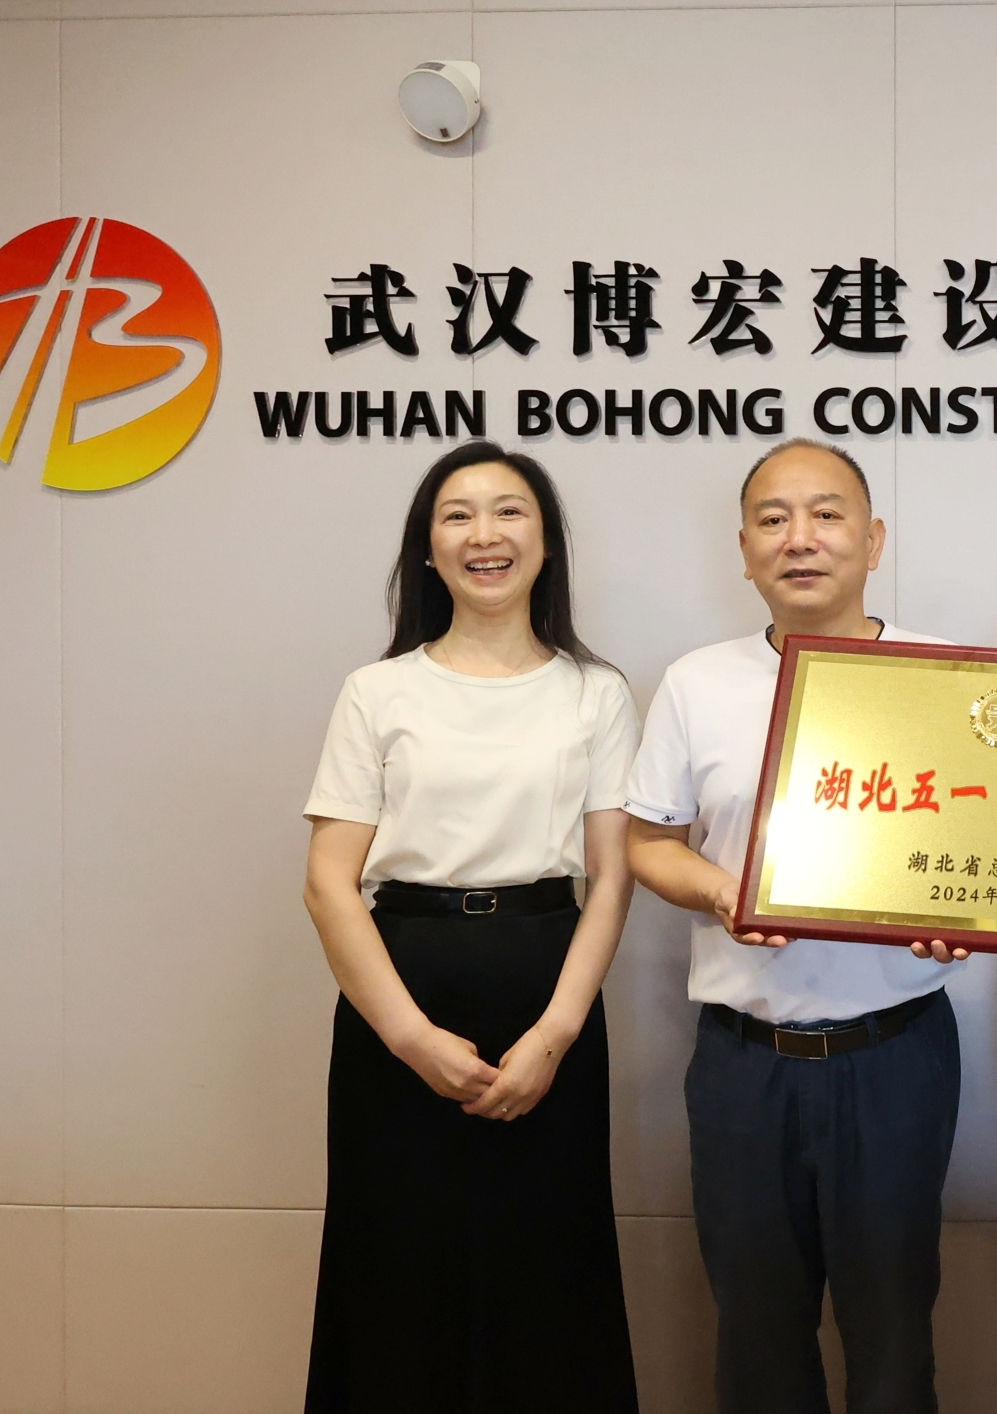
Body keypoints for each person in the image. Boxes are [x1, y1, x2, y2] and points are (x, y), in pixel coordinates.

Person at [623, 439, 970, 1414]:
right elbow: (648, 842)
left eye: (826, 514)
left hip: (895, 1057)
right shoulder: (697, 683)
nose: (800, 539)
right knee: (757, 1340)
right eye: (773, 520)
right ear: (744, 550)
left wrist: (964, 917)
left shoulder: (947, 677)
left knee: (893, 1339)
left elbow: (986, 849)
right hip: (745, 1064)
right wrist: (718, 892)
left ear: (874, 540)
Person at [300, 443, 641, 1413]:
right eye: (457, 514)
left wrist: (555, 1035)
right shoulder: (379, 692)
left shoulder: (596, 692)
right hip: (400, 998)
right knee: (396, 1270)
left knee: (548, 1272)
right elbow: (329, 882)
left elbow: (613, 876)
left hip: (548, 996)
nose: (484, 534)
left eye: (509, 511)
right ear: (427, 548)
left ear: (546, 543)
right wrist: (411, 1038)